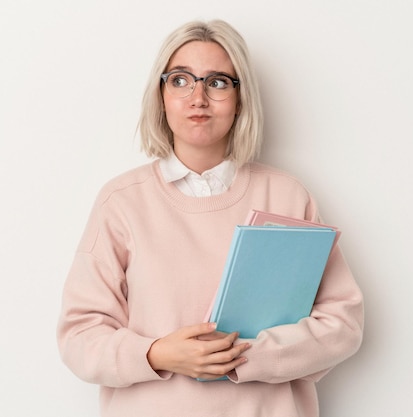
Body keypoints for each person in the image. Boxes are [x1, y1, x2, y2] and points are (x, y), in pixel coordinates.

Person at [57, 19, 364, 417]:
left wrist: (241, 357)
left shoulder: (287, 195)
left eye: (217, 82)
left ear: (240, 98)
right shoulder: (121, 202)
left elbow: (342, 323)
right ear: (161, 94)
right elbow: (79, 337)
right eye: (181, 80)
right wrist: (157, 353)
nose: (198, 97)